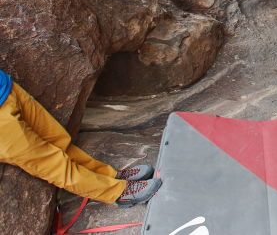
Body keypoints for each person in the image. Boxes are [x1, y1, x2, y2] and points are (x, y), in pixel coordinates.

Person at [0, 68, 161, 207]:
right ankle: (117, 192)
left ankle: (109, 175)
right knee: (53, 165)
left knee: (60, 142)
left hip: (7, 89)